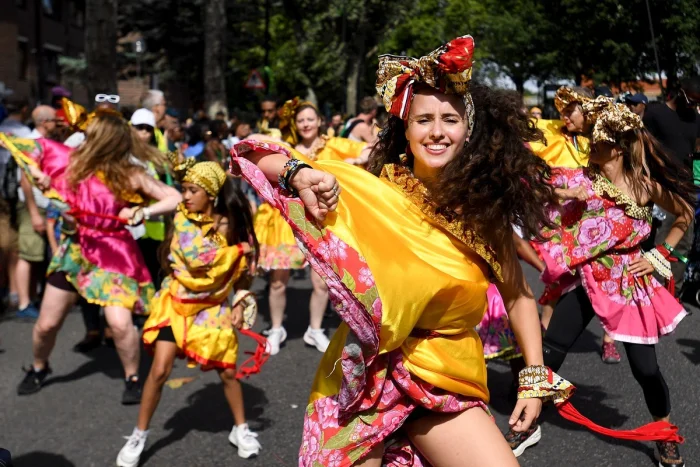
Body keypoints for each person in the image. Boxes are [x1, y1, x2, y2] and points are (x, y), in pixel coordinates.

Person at [232, 35, 568, 466]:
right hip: (367, 379)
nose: (437, 132)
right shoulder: (372, 193)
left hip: (444, 375)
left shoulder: (486, 216)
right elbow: (252, 154)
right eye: (423, 119)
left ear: (468, 131)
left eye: (450, 119)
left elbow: (518, 295)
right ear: (405, 130)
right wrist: (297, 174)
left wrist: (534, 379)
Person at [528, 97, 690, 466]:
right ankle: (528, 415)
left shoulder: (645, 186)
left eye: (597, 142)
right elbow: (538, 184)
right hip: (588, 278)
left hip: (628, 284)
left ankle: (665, 432)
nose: (590, 146)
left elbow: (684, 215)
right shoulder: (583, 178)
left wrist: (660, 255)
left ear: (616, 148)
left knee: (646, 369)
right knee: (550, 350)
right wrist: (561, 192)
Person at [1, 110, 182, 404]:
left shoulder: (130, 173)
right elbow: (25, 148)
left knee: (120, 324)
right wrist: (37, 174)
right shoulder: (71, 162)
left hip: (115, 252)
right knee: (46, 325)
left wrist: (142, 211)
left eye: (92, 135)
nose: (85, 138)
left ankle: (133, 378)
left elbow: (174, 197)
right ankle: (39, 367)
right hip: (76, 250)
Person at [116, 162, 266, 466]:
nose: (185, 196)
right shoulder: (183, 219)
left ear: (210, 194)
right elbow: (199, 260)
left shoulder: (230, 226)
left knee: (227, 371)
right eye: (184, 189)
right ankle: (139, 434)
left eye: (192, 190)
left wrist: (240, 301)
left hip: (212, 306)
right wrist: (141, 212)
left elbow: (242, 273)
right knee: (160, 370)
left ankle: (241, 428)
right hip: (177, 303)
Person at [258, 98, 368, 355]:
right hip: (286, 221)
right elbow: (254, 149)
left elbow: (370, 147)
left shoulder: (334, 144)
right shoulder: (286, 149)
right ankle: (276, 328)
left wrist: (355, 161)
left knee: (321, 282)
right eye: (301, 120)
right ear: (295, 124)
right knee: (278, 281)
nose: (306, 124)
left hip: (321, 221)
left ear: (320, 121)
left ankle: (315, 329)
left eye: (310, 119)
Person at [643, 77, 700, 297]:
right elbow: (642, 150)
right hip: (660, 190)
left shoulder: (695, 119)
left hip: (686, 191)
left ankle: (673, 296)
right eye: (691, 100)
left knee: (682, 246)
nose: (693, 105)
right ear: (679, 91)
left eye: (697, 103)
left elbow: (696, 149)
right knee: (661, 243)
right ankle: (655, 295)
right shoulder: (655, 113)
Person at [13, 106, 59, 320]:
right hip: (32, 205)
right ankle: (23, 303)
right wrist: (33, 213)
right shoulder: (31, 143)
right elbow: (25, 181)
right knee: (27, 254)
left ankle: (33, 297)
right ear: (44, 122)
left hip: (45, 205)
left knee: (38, 255)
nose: (57, 123)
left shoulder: (44, 142)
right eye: (54, 120)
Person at [0, 98, 31, 314]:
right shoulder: (25, 134)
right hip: (15, 198)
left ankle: (9, 291)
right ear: (25, 109)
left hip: (4, 197)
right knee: (12, 246)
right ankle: (13, 293)